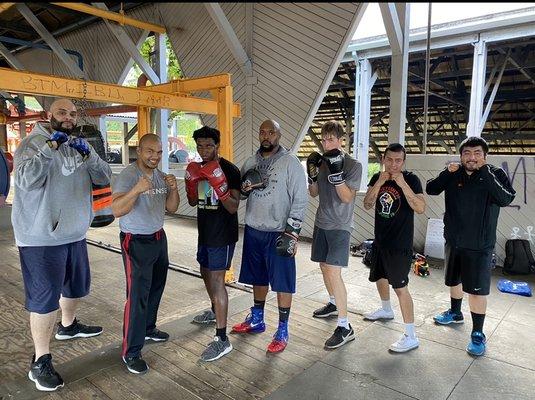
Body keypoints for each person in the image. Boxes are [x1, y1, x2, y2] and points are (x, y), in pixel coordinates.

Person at [11, 98, 112, 391]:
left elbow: (104, 177)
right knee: (44, 301)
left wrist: (89, 155)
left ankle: (68, 326)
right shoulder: (32, 144)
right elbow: (27, 181)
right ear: (48, 115)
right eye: (61, 113)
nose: (68, 118)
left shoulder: (79, 143)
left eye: (72, 113)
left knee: (76, 287)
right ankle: (40, 360)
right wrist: (50, 148)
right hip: (41, 237)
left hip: (75, 233)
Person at [426, 136, 515, 356]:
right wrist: (447, 172)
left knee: (477, 292)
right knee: (453, 280)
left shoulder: (495, 174)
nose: (471, 157)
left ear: (485, 155)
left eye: (477, 153)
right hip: (454, 240)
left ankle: (477, 333)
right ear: (461, 155)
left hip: (480, 245)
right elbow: (431, 189)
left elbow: (505, 199)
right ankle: (455, 313)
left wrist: (485, 172)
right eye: (467, 153)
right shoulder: (454, 172)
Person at [231, 119, 308, 353]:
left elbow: (300, 198)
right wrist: (244, 189)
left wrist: (292, 233)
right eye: (263, 132)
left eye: (271, 132)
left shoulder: (290, 162)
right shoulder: (250, 162)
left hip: (279, 232)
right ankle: (257, 319)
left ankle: (283, 329)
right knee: (258, 277)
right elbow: (241, 195)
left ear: (279, 134)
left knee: (283, 282)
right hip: (254, 230)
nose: (266, 136)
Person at [111, 133, 179, 374]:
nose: (155, 157)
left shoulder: (160, 175)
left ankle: (148, 328)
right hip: (135, 240)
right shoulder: (128, 176)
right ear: (138, 151)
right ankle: (131, 351)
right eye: (150, 151)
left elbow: (172, 208)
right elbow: (117, 210)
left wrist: (173, 188)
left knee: (156, 287)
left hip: (159, 237)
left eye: (159, 152)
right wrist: (136, 190)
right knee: (138, 295)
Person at [362, 143, 426, 353]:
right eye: (390, 159)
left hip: (400, 245)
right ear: (383, 159)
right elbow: (367, 204)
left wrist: (403, 184)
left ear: (404, 161)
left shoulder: (412, 179)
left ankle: (411, 335)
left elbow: (420, 207)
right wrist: (379, 183)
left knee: (400, 288)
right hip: (380, 241)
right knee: (379, 277)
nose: (394, 164)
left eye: (398, 160)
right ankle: (386, 309)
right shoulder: (377, 178)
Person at [185, 126, 241, 362]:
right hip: (205, 232)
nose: (204, 150)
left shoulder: (229, 170)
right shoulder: (196, 168)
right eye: (200, 146)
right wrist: (191, 182)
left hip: (222, 235)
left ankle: (222, 339)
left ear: (217, 145)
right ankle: (213, 309)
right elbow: (191, 201)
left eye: (209, 145)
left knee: (218, 282)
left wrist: (220, 184)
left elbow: (233, 207)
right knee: (205, 273)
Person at [307, 121, 362, 349]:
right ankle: (332, 303)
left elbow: (347, 197)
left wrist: (337, 174)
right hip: (322, 222)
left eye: (331, 138)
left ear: (341, 140)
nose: (327, 143)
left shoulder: (353, 165)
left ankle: (344, 326)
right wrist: (311, 176)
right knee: (323, 266)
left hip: (340, 225)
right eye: (324, 138)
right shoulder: (320, 163)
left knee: (333, 271)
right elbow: (314, 193)